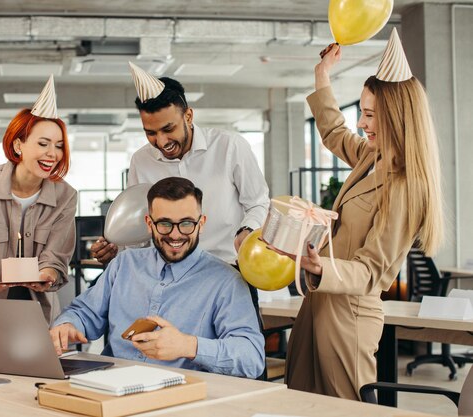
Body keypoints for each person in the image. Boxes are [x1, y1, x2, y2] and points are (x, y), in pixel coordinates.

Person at [278, 29, 443, 400]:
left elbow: (371, 271)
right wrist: (323, 76)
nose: (362, 123)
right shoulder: (372, 157)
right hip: (318, 302)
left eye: (370, 115)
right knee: (301, 401)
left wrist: (320, 266)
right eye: (363, 112)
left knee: (345, 407)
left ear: (397, 118)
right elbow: (334, 131)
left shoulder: (405, 187)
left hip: (349, 315)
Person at [50, 177, 265, 378]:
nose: (175, 234)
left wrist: (188, 346)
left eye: (187, 223)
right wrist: (68, 324)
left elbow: (251, 358)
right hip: (112, 385)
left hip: (180, 396)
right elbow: (84, 312)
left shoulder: (226, 281)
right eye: (164, 223)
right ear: (149, 223)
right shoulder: (124, 264)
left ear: (201, 223)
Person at [91, 63, 270, 265]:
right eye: (150, 132)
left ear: (188, 116)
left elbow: (258, 202)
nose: (161, 141)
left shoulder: (229, 146)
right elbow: (141, 228)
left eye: (168, 129)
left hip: (228, 267)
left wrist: (246, 231)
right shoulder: (141, 161)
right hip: (168, 275)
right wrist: (118, 247)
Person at [0, 75, 77, 323]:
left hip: (38, 311)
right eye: (43, 143)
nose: (52, 154)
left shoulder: (65, 196)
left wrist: (47, 274)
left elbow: (56, 257)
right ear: (19, 145)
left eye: (59, 146)